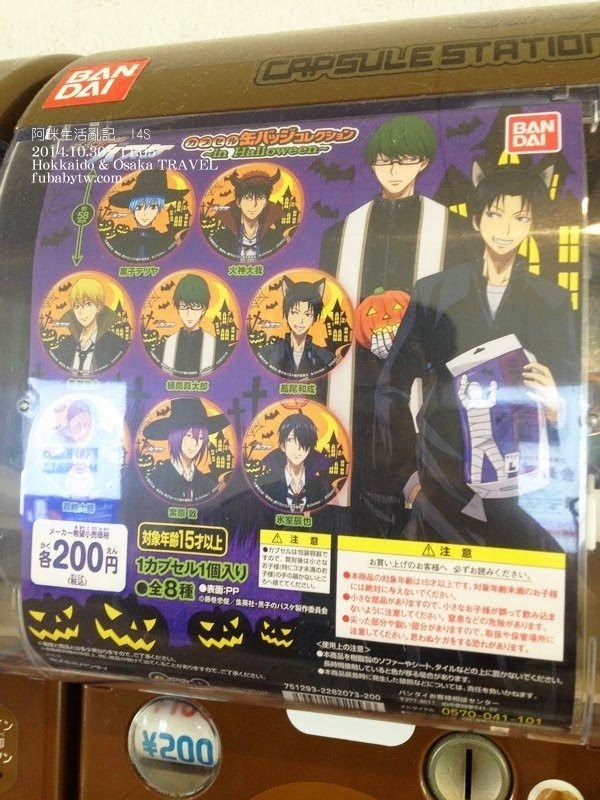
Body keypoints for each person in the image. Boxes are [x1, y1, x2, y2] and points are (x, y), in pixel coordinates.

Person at [375, 162, 579, 550]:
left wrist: (558, 405)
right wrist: (409, 477)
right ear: (476, 219)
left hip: (525, 490)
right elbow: (391, 387)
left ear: (533, 225)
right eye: (495, 214)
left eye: (520, 217)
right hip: (442, 480)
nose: (506, 229)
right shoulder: (435, 291)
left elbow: (571, 393)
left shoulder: (552, 301)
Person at [319, 115, 471, 531]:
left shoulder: (454, 231)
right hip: (356, 385)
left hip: (425, 383)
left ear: (423, 162)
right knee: (357, 490)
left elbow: (458, 324)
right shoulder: (340, 234)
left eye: (404, 160)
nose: (393, 171)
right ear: (372, 163)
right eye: (384, 160)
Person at [143, 397, 228, 503]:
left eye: (200, 438)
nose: (195, 443)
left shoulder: (207, 485)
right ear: (175, 437)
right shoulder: (157, 478)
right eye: (189, 435)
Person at [258, 275, 336, 378]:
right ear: (286, 314)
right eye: (295, 313)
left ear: (314, 317)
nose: (300, 321)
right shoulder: (267, 353)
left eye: (307, 314)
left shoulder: (326, 358)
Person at [254, 412, 334, 512]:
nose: (297, 447)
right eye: (291, 440)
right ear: (283, 446)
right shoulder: (265, 483)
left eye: (304, 440)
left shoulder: (321, 486)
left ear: (310, 448)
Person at [106, 169, 188, 261]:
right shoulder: (121, 240)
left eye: (152, 207)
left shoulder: (164, 241)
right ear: (132, 210)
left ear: (158, 209)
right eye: (139, 207)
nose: (145, 213)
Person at [207, 168, 286, 261]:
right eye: (248, 198)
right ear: (238, 202)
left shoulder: (275, 238)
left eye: (260, 198)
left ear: (265, 202)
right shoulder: (221, 237)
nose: (254, 204)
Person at [53, 277, 127, 374]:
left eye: (88, 304)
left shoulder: (116, 344)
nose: (81, 312)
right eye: (76, 306)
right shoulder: (65, 344)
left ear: (98, 307)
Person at [155, 273, 218, 376]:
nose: (189, 314)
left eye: (195, 307)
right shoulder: (164, 345)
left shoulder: (216, 346)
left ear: (203, 309)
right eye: (183, 307)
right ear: (178, 308)